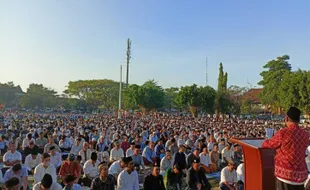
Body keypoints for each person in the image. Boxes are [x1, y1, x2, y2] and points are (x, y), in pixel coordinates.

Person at [262, 107, 309, 190]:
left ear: (286, 118)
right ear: (298, 119)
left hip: (285, 175)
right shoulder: (306, 134)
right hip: (301, 175)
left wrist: (266, 139)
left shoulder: (283, 133)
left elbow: (267, 144)